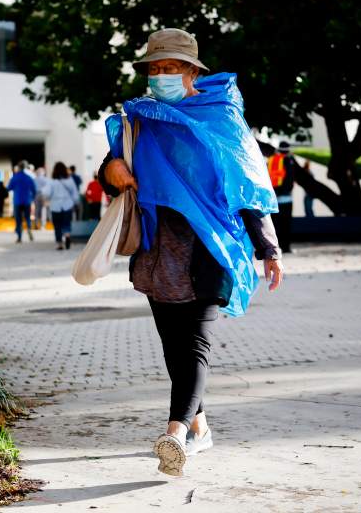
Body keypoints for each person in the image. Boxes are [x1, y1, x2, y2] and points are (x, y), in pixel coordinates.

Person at [97, 28, 283, 477]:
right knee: (173, 349)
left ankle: (175, 433)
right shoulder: (140, 119)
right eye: (155, 68)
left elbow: (248, 184)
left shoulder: (221, 116)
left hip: (209, 247)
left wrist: (268, 249)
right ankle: (199, 427)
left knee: (195, 346)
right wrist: (111, 170)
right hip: (158, 248)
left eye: (171, 68)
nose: (161, 75)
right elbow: (112, 169)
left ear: (193, 72)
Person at [266, 142, 296, 253]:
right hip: (286, 198)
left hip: (273, 199)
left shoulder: (271, 160)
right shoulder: (289, 161)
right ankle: (286, 247)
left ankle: (275, 248)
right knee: (286, 224)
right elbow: (289, 179)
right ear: (288, 150)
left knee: (274, 225)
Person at [43, 161, 79, 249]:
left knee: (57, 225)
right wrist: (75, 202)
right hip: (67, 205)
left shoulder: (51, 181)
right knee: (66, 223)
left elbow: (47, 193)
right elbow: (74, 193)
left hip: (55, 206)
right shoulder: (69, 180)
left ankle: (60, 244)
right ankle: (67, 236)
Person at [7, 162, 37, 242]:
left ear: (19, 168)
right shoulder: (29, 177)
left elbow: (9, 188)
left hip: (17, 201)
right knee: (27, 217)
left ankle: (19, 237)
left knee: (18, 219)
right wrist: (32, 198)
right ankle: (29, 228)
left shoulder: (15, 177)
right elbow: (34, 189)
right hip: (27, 200)